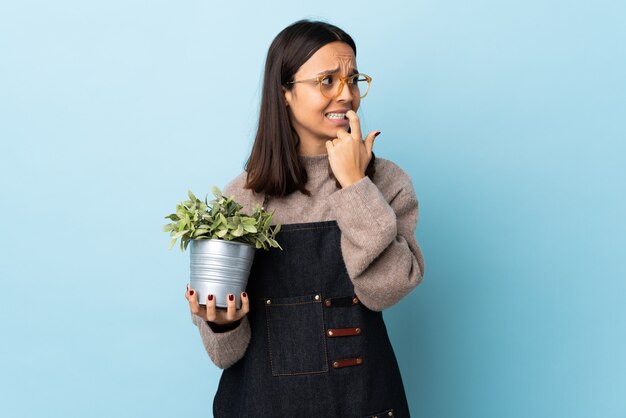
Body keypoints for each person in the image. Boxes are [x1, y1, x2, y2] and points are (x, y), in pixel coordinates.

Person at [184, 19, 425, 417]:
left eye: (353, 79)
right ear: (285, 93)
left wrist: (354, 186)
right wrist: (222, 323)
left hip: (365, 402)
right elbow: (224, 355)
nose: (345, 95)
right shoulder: (243, 197)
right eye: (327, 80)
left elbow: (386, 290)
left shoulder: (387, 183)